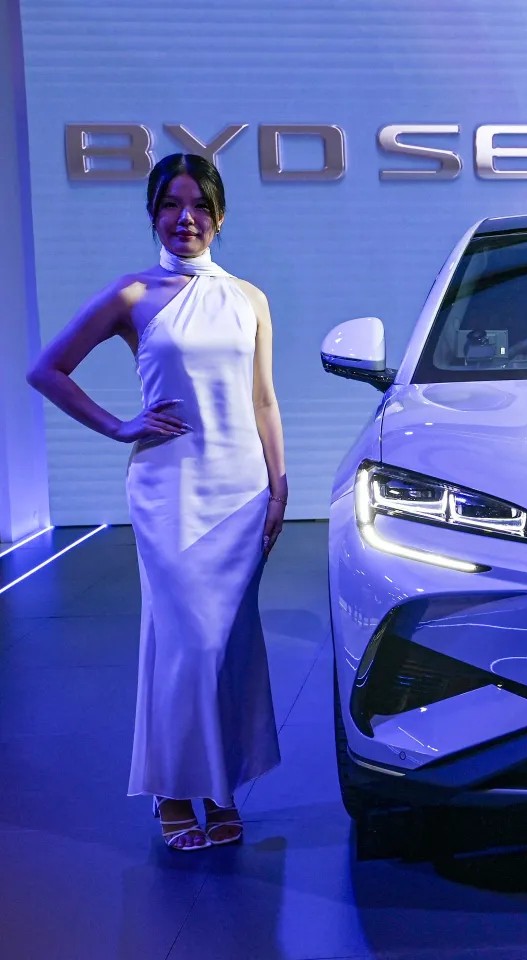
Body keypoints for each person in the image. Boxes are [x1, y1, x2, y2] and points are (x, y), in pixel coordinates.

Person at [27, 153, 285, 851]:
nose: (185, 218)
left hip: (240, 490)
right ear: (153, 214)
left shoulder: (250, 298)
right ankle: (172, 791)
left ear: (220, 216)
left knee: (226, 644)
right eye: (171, 204)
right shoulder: (133, 294)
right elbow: (47, 370)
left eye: (199, 205)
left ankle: (219, 787)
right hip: (169, 491)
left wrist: (279, 482)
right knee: (184, 643)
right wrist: (119, 426)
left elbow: (263, 398)